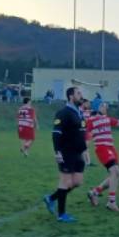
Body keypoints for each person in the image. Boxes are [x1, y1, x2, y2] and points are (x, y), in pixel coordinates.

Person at [43, 87, 88, 222]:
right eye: (78, 93)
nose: (81, 96)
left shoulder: (79, 113)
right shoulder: (64, 113)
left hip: (78, 153)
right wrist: (57, 152)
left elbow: (81, 134)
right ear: (70, 96)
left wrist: (85, 150)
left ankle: (51, 198)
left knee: (77, 182)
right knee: (65, 182)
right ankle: (61, 215)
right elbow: (56, 134)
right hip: (66, 152)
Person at [87, 102, 119, 211]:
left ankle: (94, 192)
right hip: (102, 148)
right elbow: (83, 130)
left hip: (111, 148)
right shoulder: (91, 119)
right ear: (97, 107)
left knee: (116, 174)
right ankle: (111, 202)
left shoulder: (107, 119)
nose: (103, 107)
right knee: (114, 173)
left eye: (105, 106)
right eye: (101, 105)